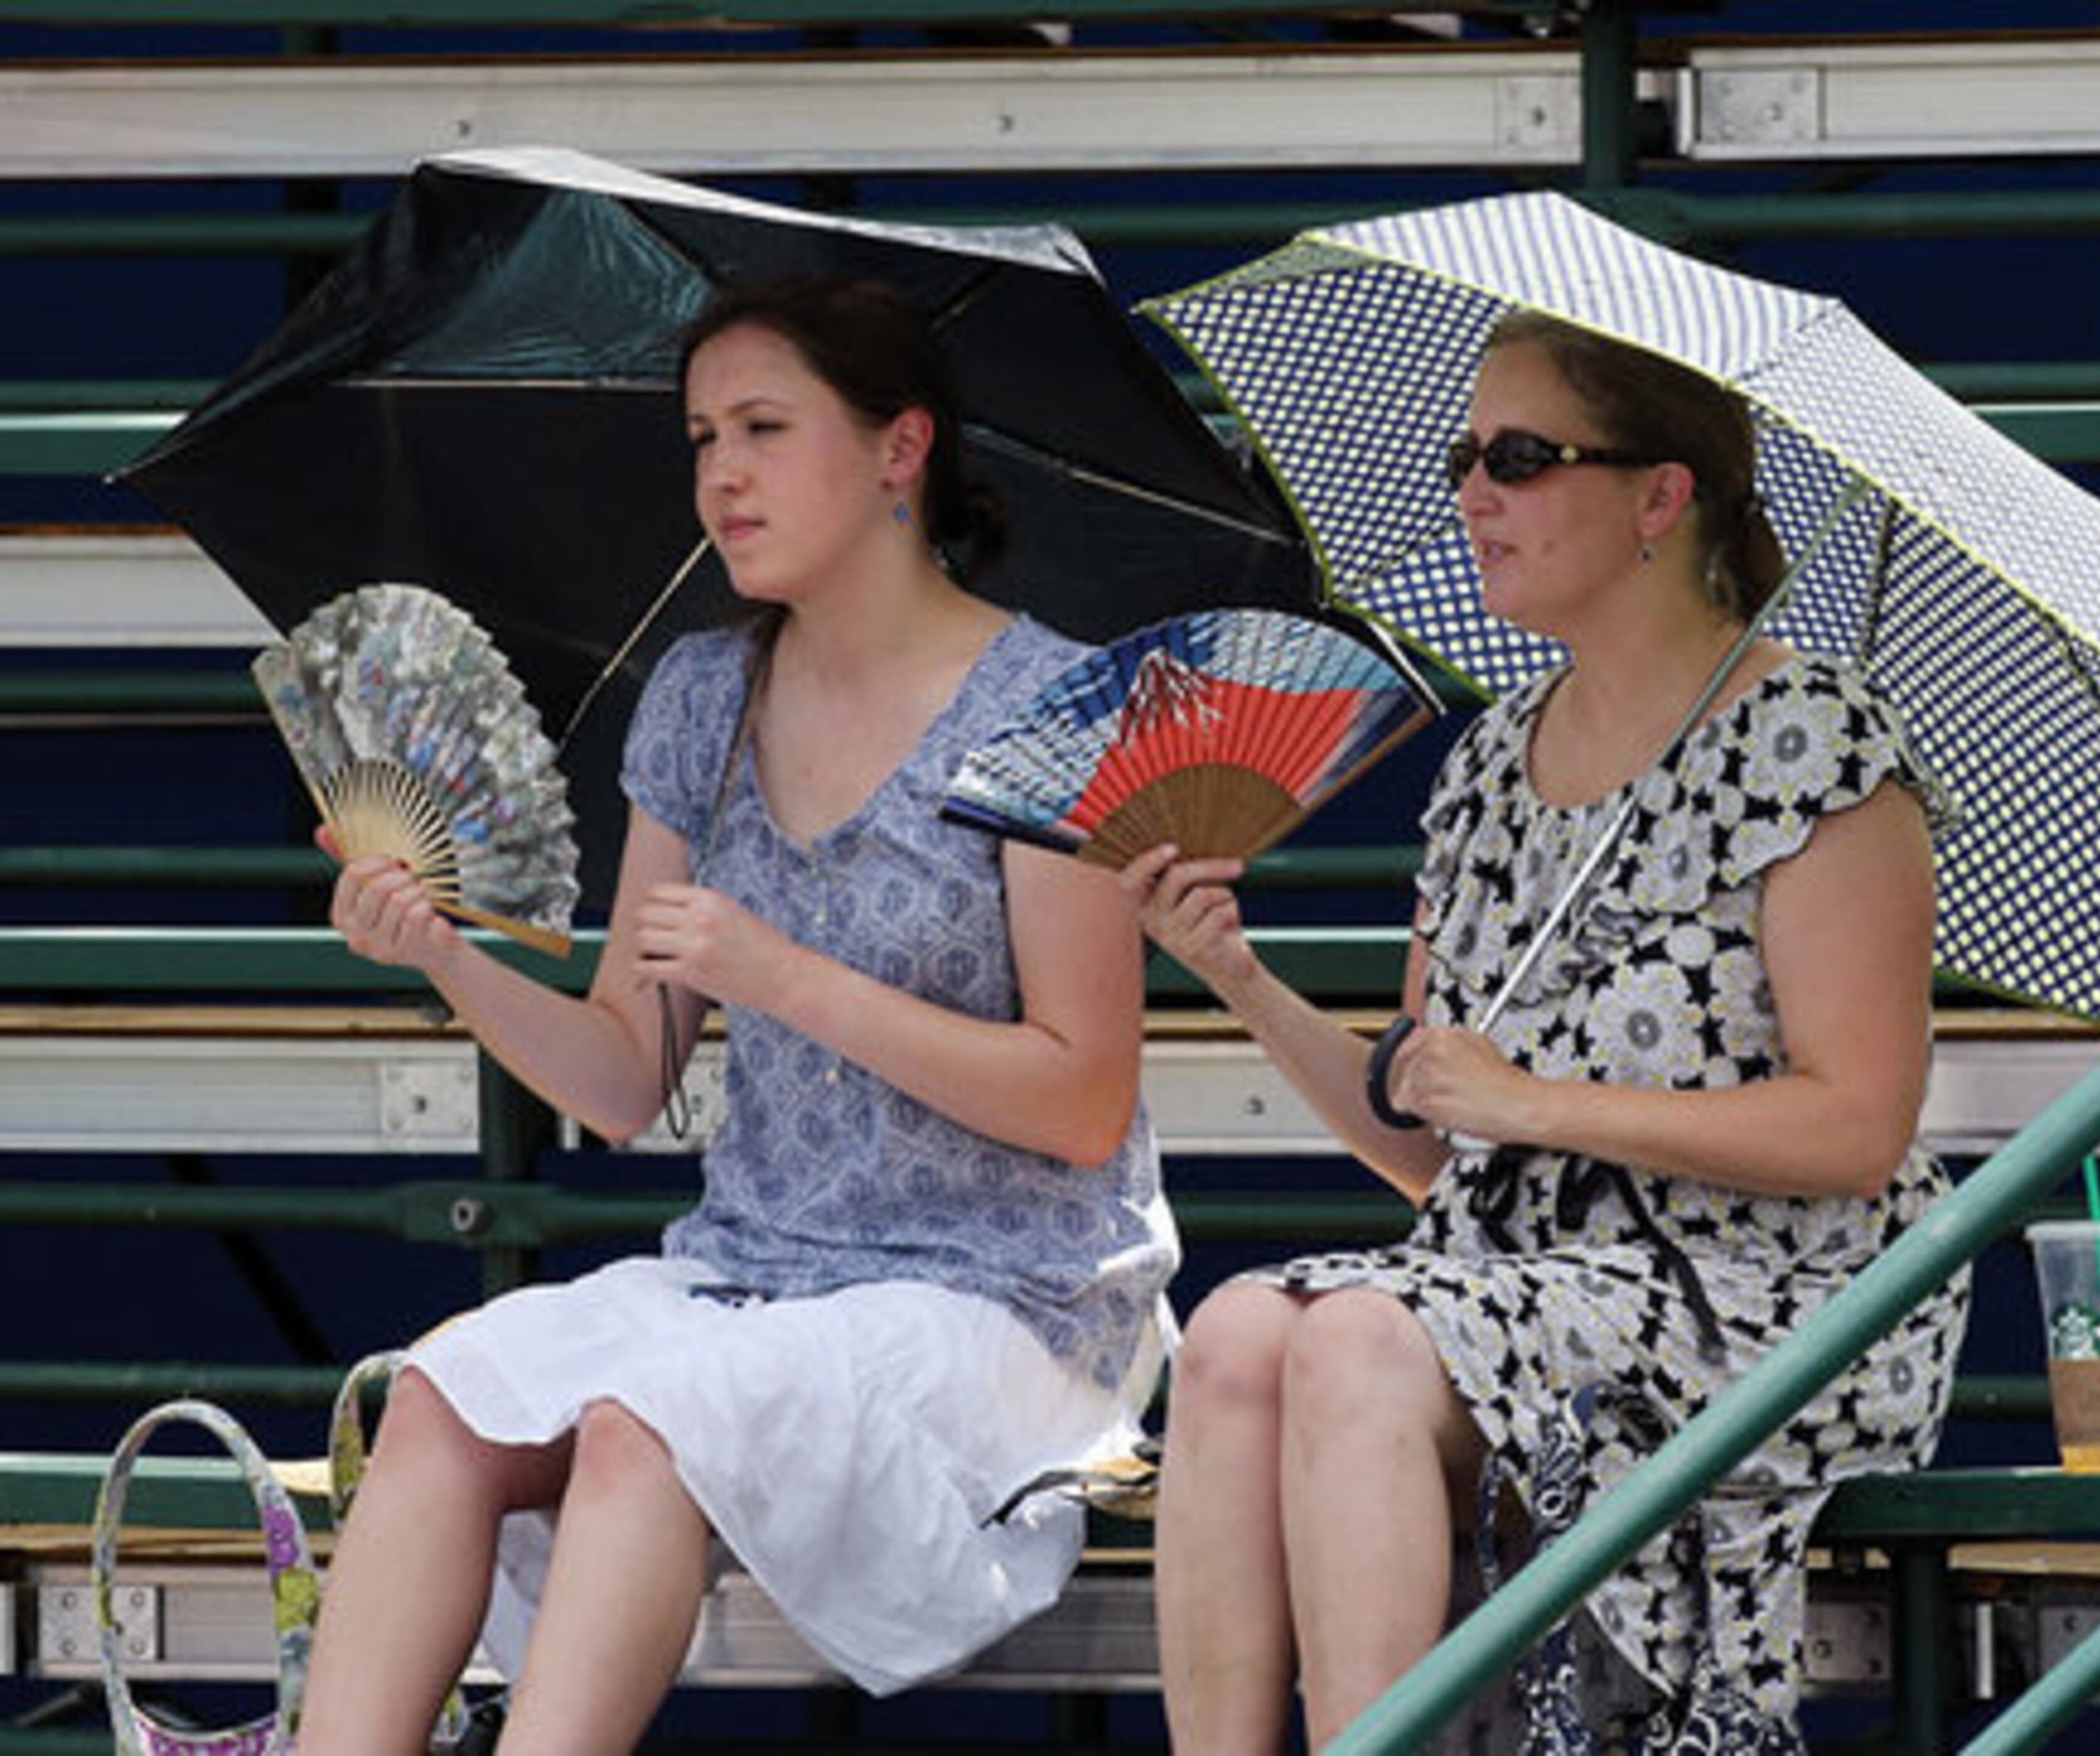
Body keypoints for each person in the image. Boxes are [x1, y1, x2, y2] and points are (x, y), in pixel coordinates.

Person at [296, 277, 1177, 1755]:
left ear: (903, 453)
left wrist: (789, 980)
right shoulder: (703, 695)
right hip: (755, 1279)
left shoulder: (1058, 707)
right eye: (704, 436)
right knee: (443, 1397)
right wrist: (444, 955)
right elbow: (625, 1078)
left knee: (652, 1425)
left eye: (765, 429)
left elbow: (1084, 1100)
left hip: (1005, 1302)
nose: (722, 475)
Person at [1123, 308, 1969, 1752]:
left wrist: (1539, 1104)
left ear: (1661, 495)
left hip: (1764, 1297)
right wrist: (1244, 982)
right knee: (1235, 1337)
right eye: (1465, 458)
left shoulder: (1815, 740)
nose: (1472, 497)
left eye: (1519, 458)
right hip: (1516, 1282)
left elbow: (1858, 1126)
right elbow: (1433, 1142)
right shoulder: (1488, 766)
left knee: (1357, 1348)